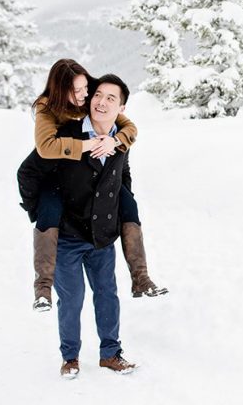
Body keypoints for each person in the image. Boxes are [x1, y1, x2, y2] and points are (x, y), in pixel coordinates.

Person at [18, 74, 141, 377]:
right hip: (68, 238)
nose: (101, 101)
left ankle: (110, 354)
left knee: (107, 295)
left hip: (101, 237)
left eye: (111, 98)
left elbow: (123, 174)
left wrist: (120, 204)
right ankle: (70, 356)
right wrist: (42, 210)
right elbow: (28, 172)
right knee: (72, 300)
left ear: (121, 106)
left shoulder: (120, 138)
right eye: (97, 95)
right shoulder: (67, 136)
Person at [26, 59, 167, 312]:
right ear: (59, 91)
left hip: (89, 165)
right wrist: (87, 145)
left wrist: (115, 141)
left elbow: (128, 125)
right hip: (52, 170)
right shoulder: (46, 107)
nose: (84, 96)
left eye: (84, 89)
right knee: (48, 211)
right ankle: (42, 288)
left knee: (129, 205)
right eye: (76, 91)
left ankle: (141, 278)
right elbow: (44, 150)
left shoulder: (92, 96)